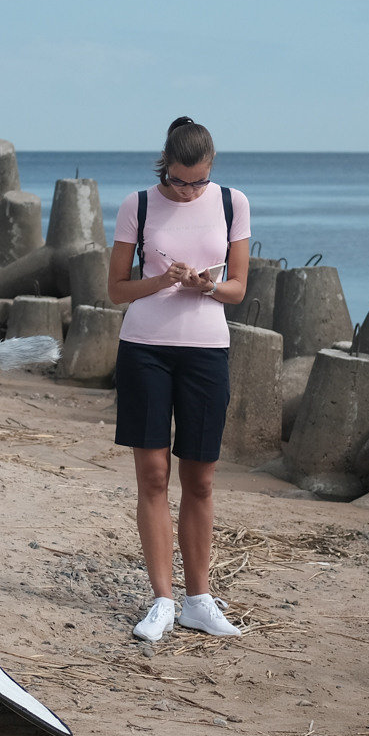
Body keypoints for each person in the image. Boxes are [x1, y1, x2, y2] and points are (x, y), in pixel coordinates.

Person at [107, 116, 252, 643]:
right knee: (152, 476)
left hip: (206, 352)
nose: (189, 190)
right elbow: (116, 290)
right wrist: (159, 280)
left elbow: (238, 289)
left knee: (202, 480)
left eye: (198, 181)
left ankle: (199, 600)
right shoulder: (137, 205)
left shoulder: (233, 202)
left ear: (211, 168)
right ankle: (162, 600)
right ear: (164, 164)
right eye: (179, 180)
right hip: (145, 350)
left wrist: (206, 286)